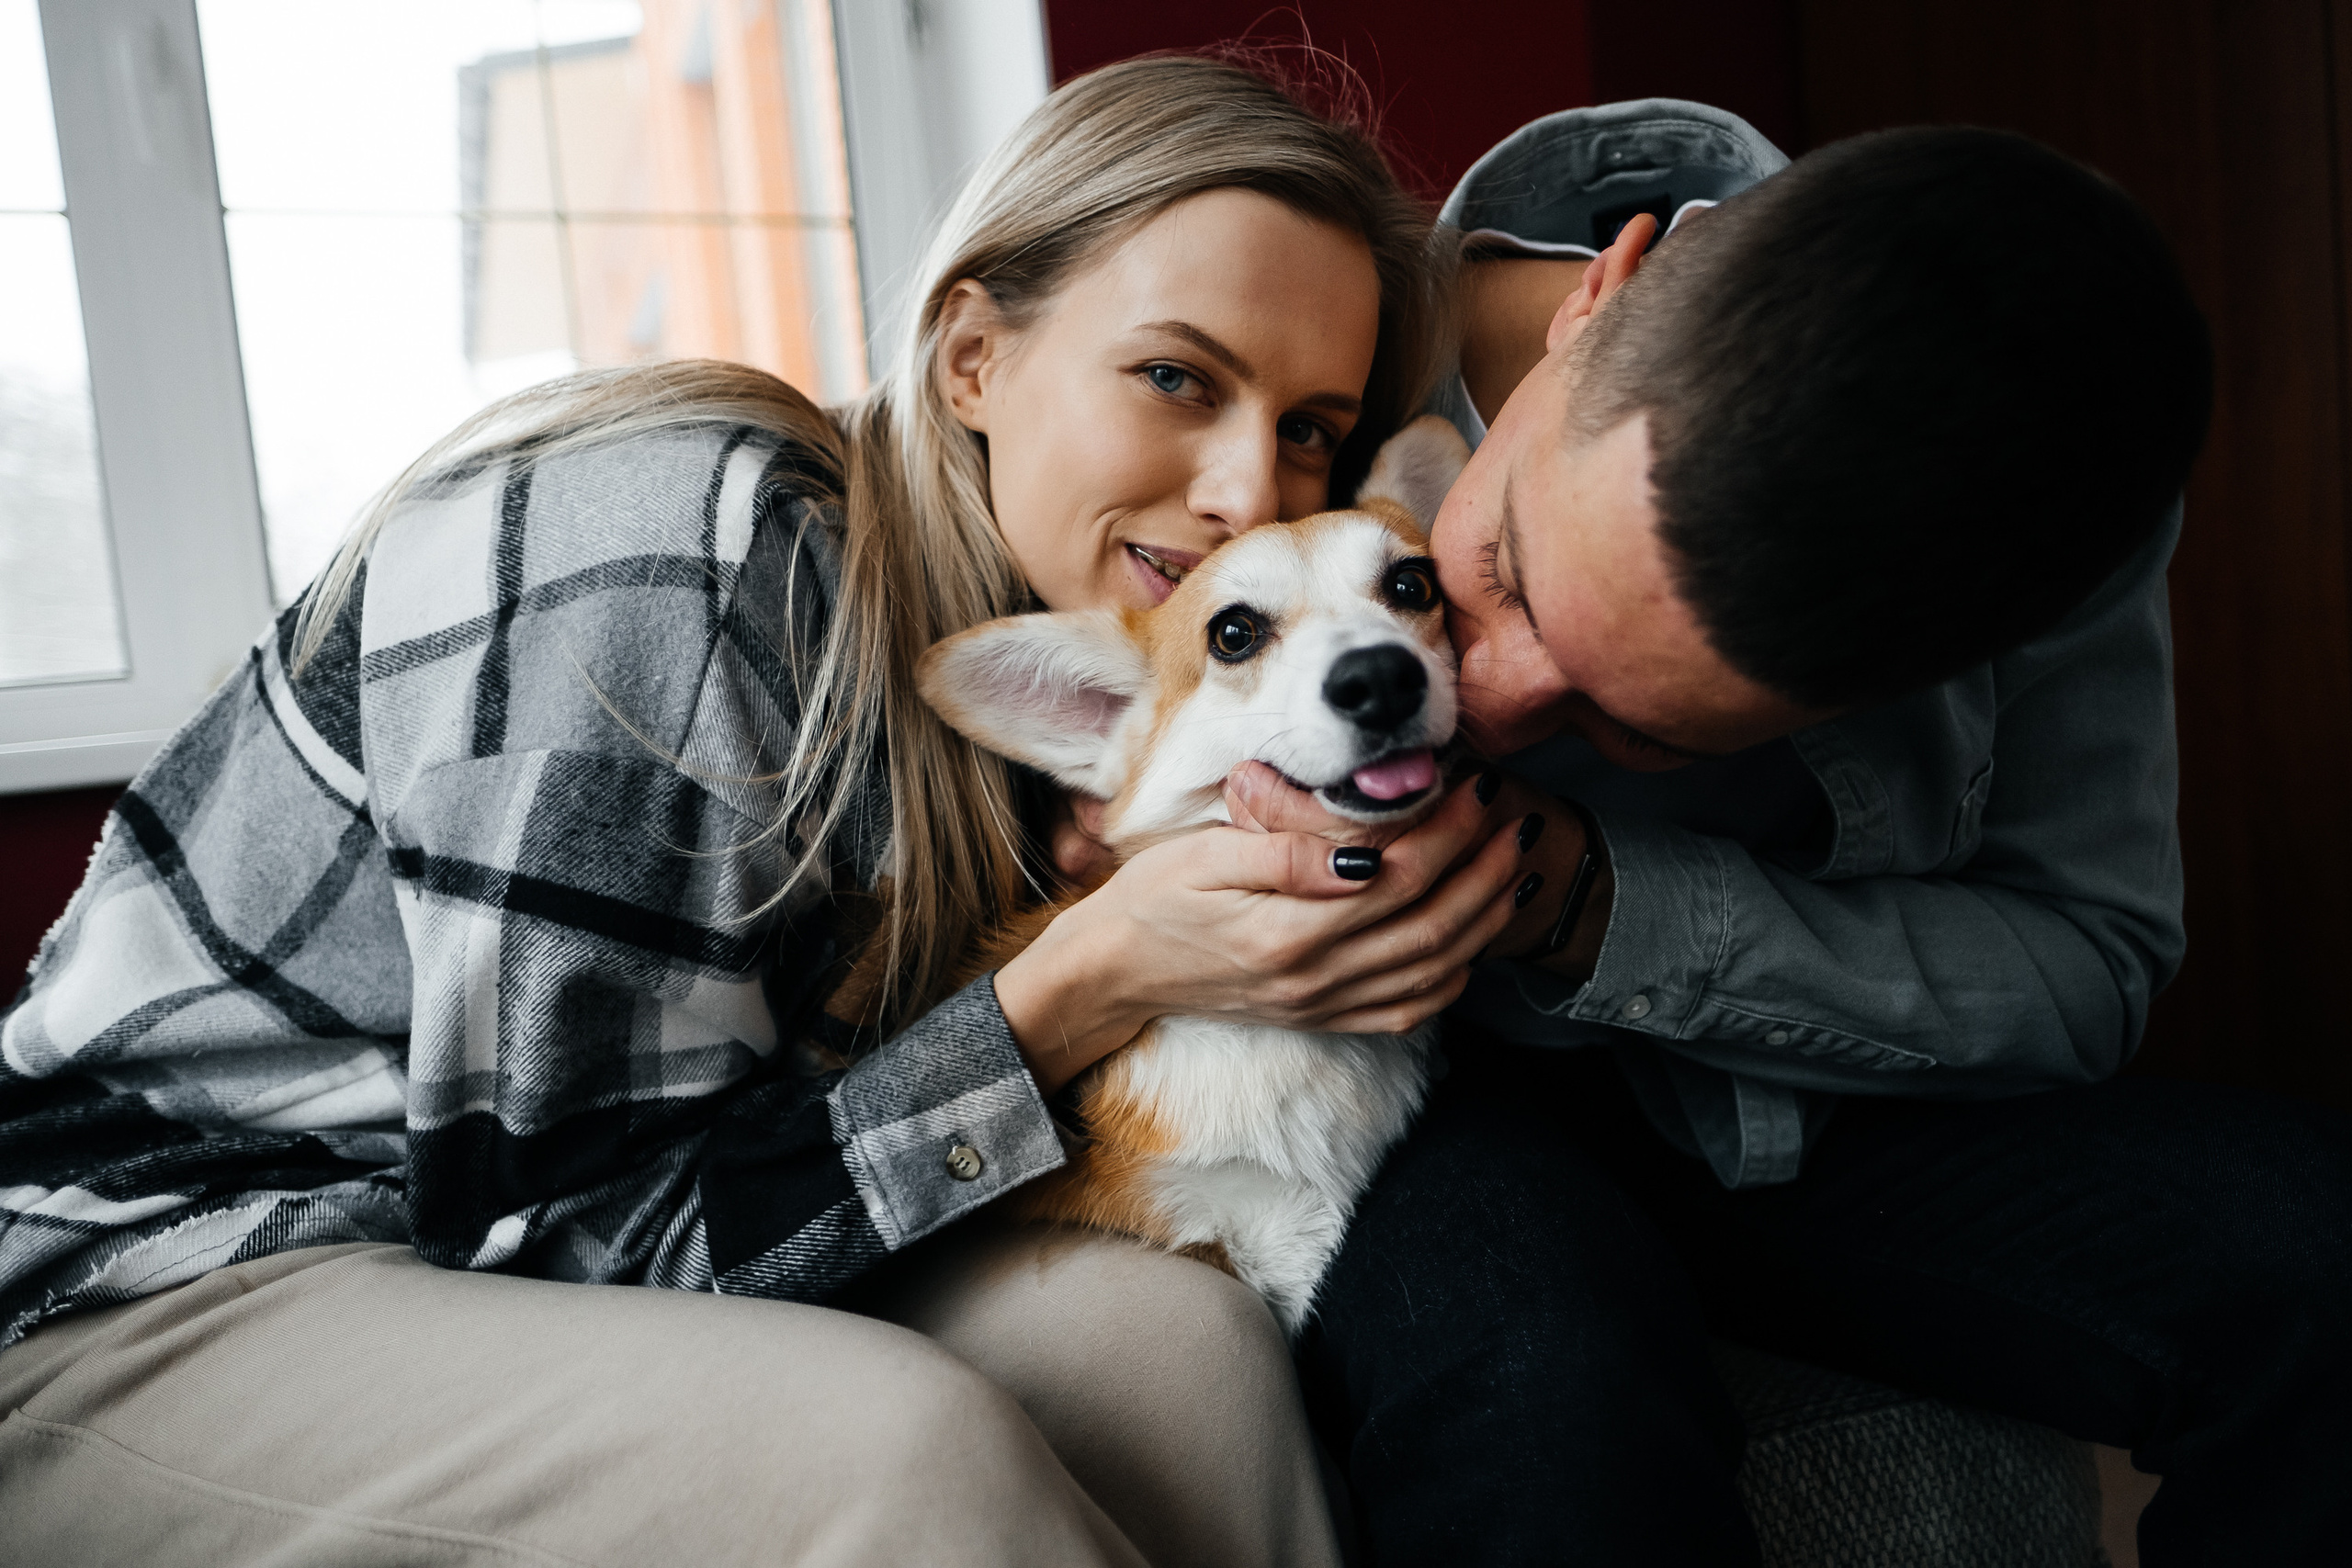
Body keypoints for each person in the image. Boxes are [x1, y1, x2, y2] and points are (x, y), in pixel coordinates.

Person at [0, 55, 1550, 1567]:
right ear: (972, 360)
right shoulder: (679, 552)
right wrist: (1089, 980)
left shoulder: (1061, 666)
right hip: (158, 1272)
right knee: (900, 1452)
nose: (1243, 492)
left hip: (499, 1245)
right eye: (1175, 376)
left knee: (1185, 1349)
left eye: (1302, 429)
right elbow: (577, 1246)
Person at [1221, 101, 2351, 1565]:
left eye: (1640, 729)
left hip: (1791, 1100)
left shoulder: (2038, 515)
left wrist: (1591, 900)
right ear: (1600, 297)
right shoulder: (1289, 337)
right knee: (1553, 1380)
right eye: (1493, 568)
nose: (1485, 707)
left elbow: (2088, 964)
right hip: (1409, 1098)